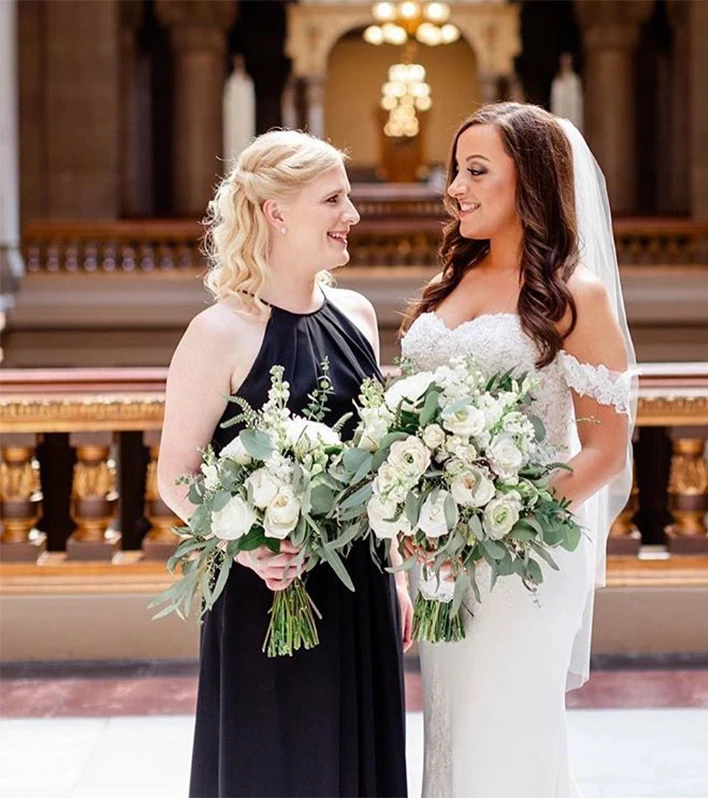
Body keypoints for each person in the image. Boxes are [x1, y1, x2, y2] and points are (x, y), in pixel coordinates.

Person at [157, 129, 412, 798]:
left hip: (361, 585)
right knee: (276, 764)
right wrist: (247, 549)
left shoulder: (357, 315)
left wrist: (402, 577)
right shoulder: (219, 332)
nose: (352, 215)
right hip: (269, 590)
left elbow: (376, 464)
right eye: (333, 199)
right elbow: (176, 475)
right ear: (276, 212)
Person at [400, 103, 637, 797]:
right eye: (455, 171)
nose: (455, 188)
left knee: (505, 728)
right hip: (439, 554)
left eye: (477, 171)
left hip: (523, 551)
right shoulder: (450, 282)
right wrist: (416, 516)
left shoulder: (572, 297)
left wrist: (492, 521)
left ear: (528, 180)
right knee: (452, 725)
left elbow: (604, 451)